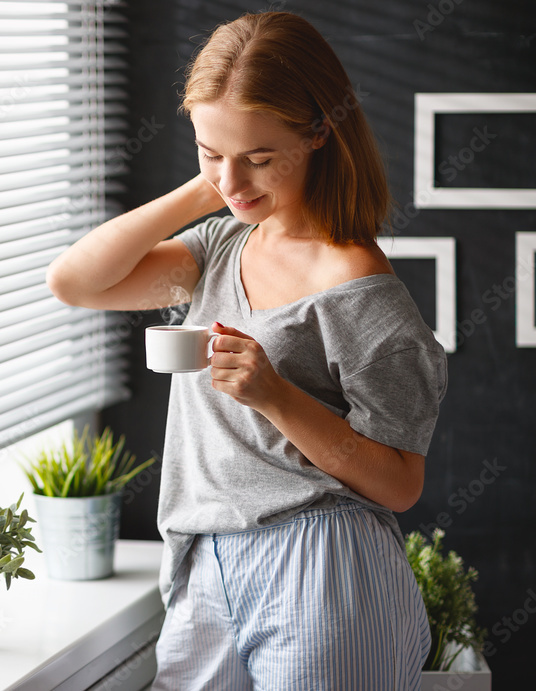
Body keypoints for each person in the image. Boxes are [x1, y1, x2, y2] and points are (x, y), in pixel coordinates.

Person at [45, 10, 447, 691]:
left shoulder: (360, 288)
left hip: (321, 564)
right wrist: (212, 185)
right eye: (209, 151)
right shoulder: (220, 247)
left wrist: (274, 395)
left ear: (319, 130)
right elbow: (76, 281)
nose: (234, 181)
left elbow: (400, 482)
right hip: (205, 557)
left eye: (259, 157)